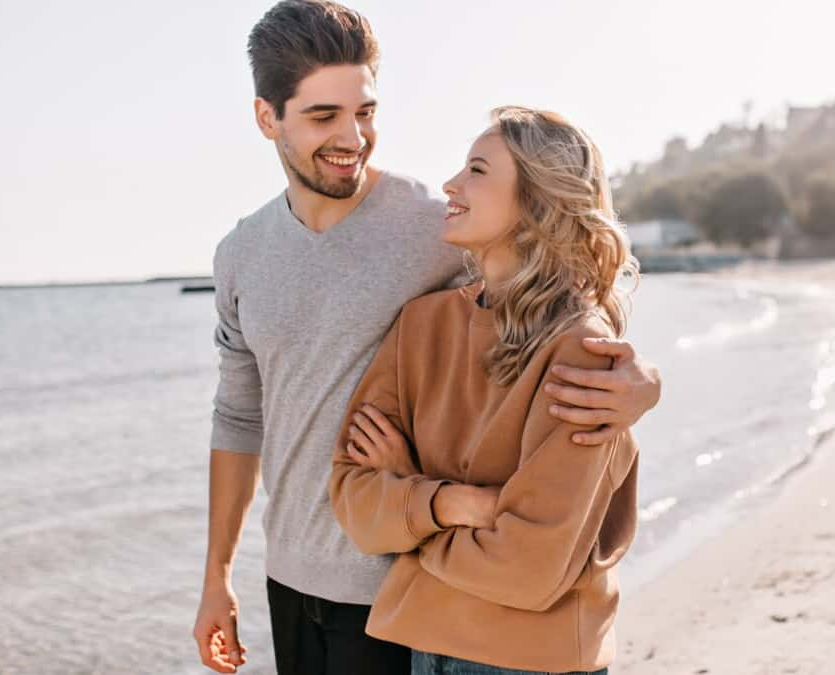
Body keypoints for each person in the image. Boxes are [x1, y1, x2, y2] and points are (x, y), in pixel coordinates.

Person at [192, 3, 662, 674]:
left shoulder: (432, 225)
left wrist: (642, 384)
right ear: (268, 118)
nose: (352, 136)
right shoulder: (241, 253)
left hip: (406, 589)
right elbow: (239, 415)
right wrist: (217, 576)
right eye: (323, 117)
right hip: (293, 576)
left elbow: (556, 286)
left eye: (365, 112)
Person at [330, 106, 639, 675]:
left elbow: (527, 567)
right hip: (425, 649)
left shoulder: (581, 352)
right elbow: (353, 501)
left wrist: (410, 509)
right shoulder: (420, 326)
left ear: (537, 201)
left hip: (533, 663)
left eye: (476, 169)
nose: (450, 184)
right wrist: (449, 503)